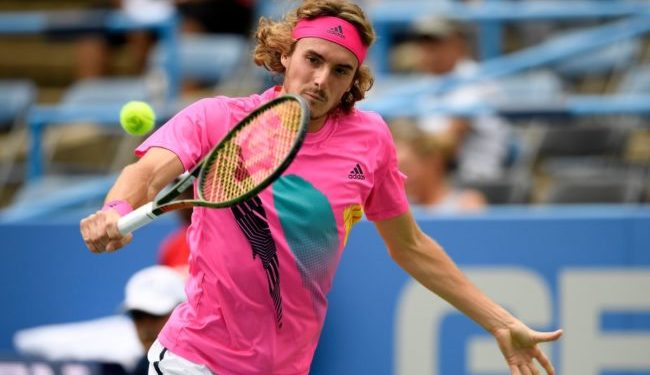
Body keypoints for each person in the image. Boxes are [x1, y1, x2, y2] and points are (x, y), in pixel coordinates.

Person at [80, 1, 562, 374]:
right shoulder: (218, 119)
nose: (321, 79)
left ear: (354, 79)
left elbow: (411, 246)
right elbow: (147, 174)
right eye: (313, 59)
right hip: (195, 359)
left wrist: (499, 321)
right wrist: (115, 208)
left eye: (340, 70)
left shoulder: (370, 140)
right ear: (285, 54)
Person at [395, 16, 514, 180]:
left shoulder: (476, 80)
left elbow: (447, 142)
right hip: (441, 177)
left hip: (476, 179)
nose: (428, 51)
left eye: (437, 43)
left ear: (459, 45)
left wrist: (407, 147)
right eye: (424, 44)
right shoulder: (426, 82)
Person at [391, 118, 487, 213]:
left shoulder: (466, 205)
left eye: (407, 167)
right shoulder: (399, 211)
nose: (402, 177)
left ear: (433, 162)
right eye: (398, 170)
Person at [123, 265, 187, 375]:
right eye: (138, 316)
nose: (146, 328)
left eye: (156, 315)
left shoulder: (214, 362)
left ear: (185, 313)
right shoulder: (140, 370)